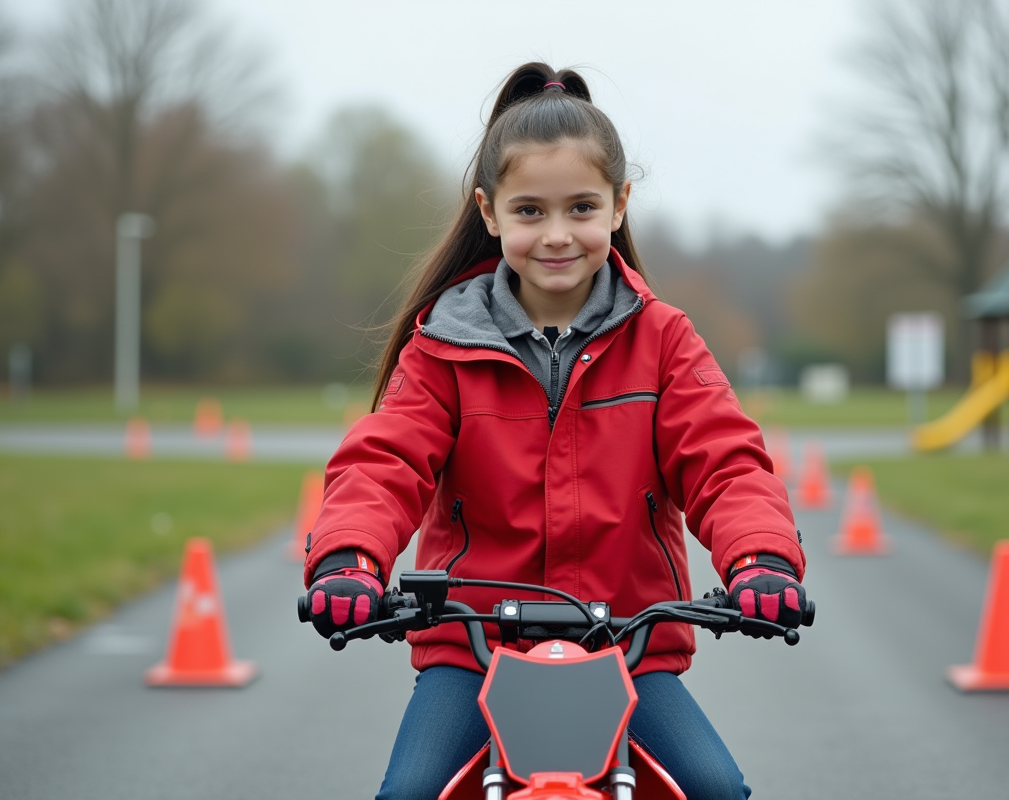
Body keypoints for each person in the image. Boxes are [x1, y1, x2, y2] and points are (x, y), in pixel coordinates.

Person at [302, 62, 808, 800]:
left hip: (628, 649)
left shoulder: (664, 339)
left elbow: (725, 462)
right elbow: (384, 461)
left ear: (618, 204)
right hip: (472, 651)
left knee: (714, 788)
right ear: (490, 211)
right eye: (531, 211)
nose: (557, 234)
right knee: (408, 793)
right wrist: (348, 558)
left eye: (581, 207)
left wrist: (761, 560)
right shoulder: (443, 343)